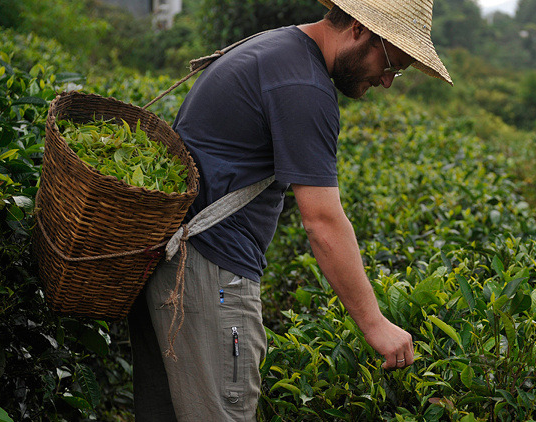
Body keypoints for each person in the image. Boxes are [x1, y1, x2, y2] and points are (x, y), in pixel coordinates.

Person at [128, 0, 452, 420]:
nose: (387, 81)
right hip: (210, 276)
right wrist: (376, 325)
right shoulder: (304, 86)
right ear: (358, 28)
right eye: (390, 63)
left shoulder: (275, 47)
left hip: (174, 266)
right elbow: (322, 221)